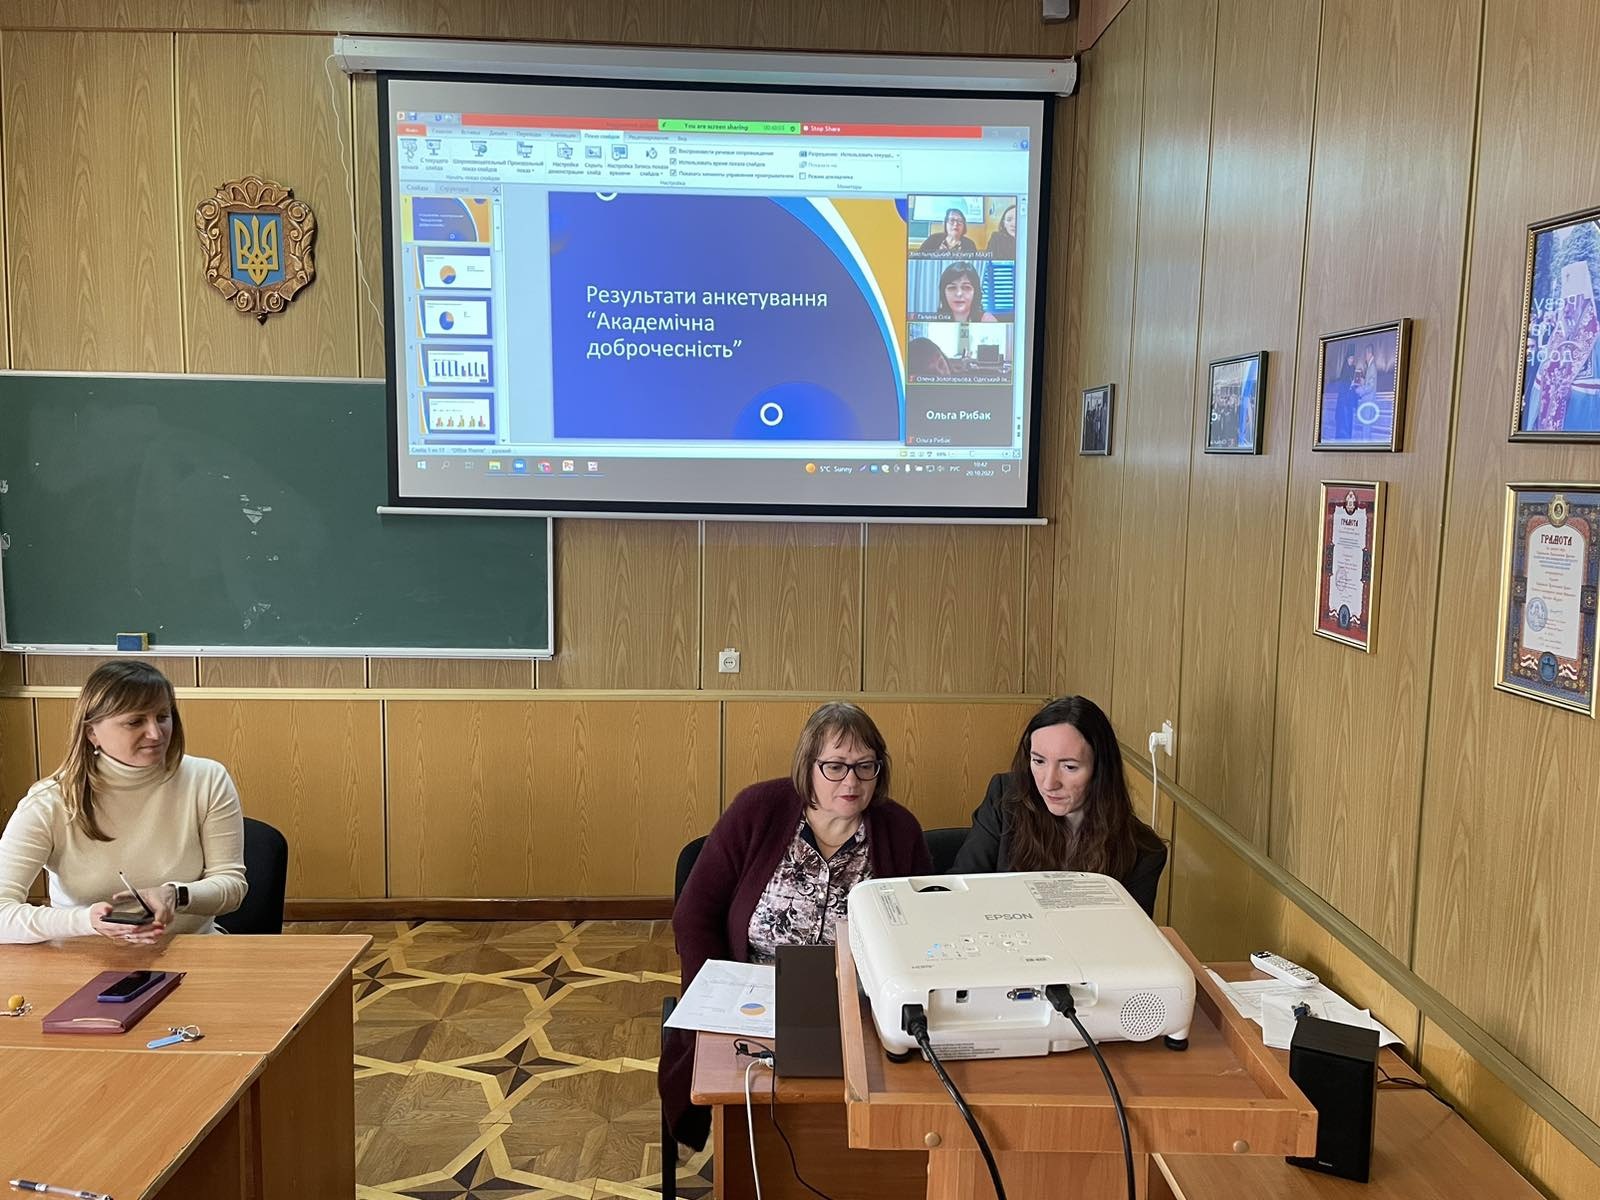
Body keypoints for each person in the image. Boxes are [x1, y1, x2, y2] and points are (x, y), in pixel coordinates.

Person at [660, 702, 933, 1150]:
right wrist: (715, 991)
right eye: (835, 766)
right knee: (754, 1110)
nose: (851, 782)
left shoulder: (898, 830)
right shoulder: (758, 810)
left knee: (885, 1101)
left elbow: (920, 930)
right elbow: (695, 914)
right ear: (808, 765)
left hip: (859, 1006)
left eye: (865, 766)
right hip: (754, 998)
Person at [0, 660, 247, 944]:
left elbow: (232, 885)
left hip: (189, 949)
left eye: (162, 717)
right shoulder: (49, 802)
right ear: (92, 732)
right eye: (135, 722)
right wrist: (85, 921)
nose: (155, 733)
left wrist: (177, 895)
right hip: (84, 955)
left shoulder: (207, 778)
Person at [949, 696, 1166, 915]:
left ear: (1100, 770)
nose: (1049, 783)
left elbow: (1132, 932)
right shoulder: (1005, 797)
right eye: (1038, 761)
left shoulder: (1142, 851)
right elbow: (957, 892)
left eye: (1069, 767)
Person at [934, 262, 999, 324]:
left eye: (966, 287)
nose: (959, 294)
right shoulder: (935, 320)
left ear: (975, 292)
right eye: (952, 288)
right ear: (943, 292)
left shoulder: (987, 320)